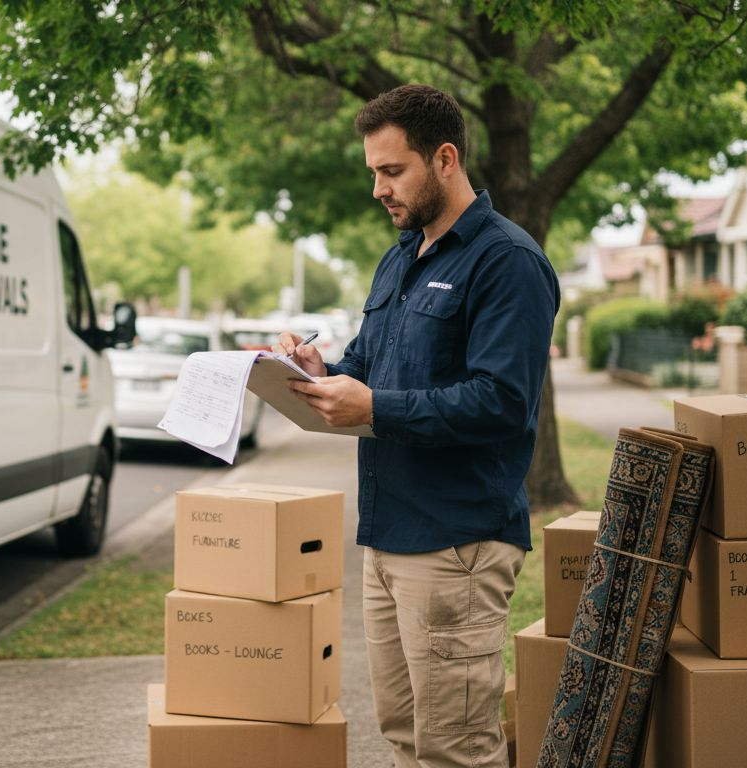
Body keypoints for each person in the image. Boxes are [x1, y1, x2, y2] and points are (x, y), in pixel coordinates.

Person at [275, 84, 560, 767]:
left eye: (391, 170)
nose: (378, 188)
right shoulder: (401, 256)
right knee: (405, 739)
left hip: (456, 544)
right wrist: (320, 369)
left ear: (445, 160)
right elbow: (372, 368)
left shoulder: (506, 262)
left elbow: (500, 402)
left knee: (455, 750)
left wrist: (373, 407)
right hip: (388, 536)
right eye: (373, 171)